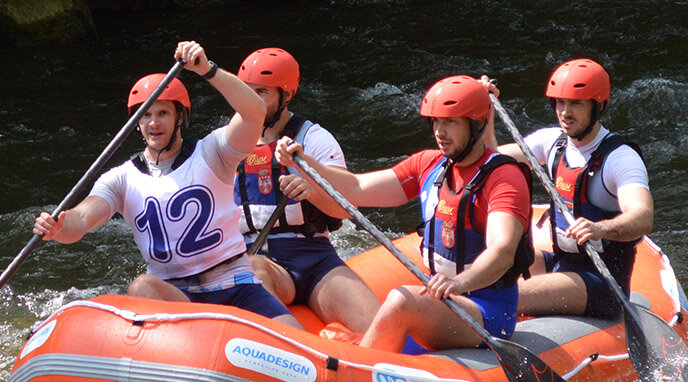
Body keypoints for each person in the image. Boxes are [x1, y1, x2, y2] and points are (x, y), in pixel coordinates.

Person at [33, 41, 301, 328]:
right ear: (137, 123)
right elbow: (82, 219)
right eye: (146, 115)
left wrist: (208, 70)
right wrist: (59, 226)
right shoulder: (121, 178)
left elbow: (254, 112)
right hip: (177, 296)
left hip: (235, 285)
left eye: (163, 113)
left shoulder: (213, 152)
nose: (153, 123)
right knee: (141, 286)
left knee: (297, 342)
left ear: (180, 118)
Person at [277, 75, 533, 353]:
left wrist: (458, 283)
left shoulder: (504, 177)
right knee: (399, 301)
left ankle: (362, 368)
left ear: (476, 123)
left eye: (451, 122)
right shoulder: (429, 164)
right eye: (435, 121)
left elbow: (503, 250)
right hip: (447, 300)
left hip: (488, 311)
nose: (440, 131)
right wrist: (305, 163)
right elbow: (357, 188)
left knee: (401, 299)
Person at [485, 59, 653, 319]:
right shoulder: (553, 142)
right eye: (560, 102)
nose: (565, 111)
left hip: (603, 282)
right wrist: (486, 114)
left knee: (506, 296)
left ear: (597, 106)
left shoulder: (619, 158)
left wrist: (601, 229)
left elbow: (643, 216)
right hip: (561, 262)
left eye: (576, 103)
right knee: (484, 274)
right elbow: (491, 161)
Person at [234, 47, 380, 333]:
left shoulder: (314, 139)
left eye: (261, 92)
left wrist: (311, 190)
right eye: (246, 91)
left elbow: (347, 209)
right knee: (252, 267)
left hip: (314, 259)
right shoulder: (228, 144)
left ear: (286, 95)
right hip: (259, 259)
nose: (252, 101)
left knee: (378, 326)